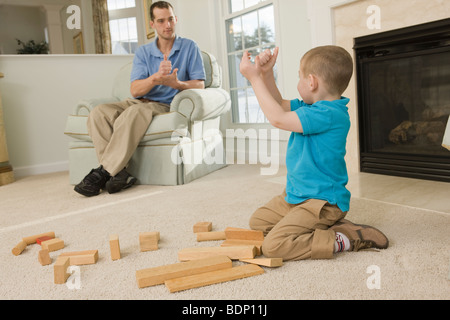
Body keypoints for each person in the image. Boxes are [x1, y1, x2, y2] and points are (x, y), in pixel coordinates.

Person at [239, 45, 389, 261]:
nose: (298, 83)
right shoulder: (310, 107)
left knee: (273, 247)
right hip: (295, 196)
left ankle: (343, 237)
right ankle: (322, 226)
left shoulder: (329, 114)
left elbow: (278, 118)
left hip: (322, 203)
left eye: (299, 78)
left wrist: (253, 79)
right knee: (258, 222)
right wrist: (266, 73)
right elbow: (279, 104)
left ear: (311, 82)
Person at [75, 1, 205, 197]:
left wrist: (177, 84)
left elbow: (200, 84)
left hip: (164, 104)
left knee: (134, 113)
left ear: (175, 19)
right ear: (152, 24)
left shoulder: (189, 47)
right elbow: (135, 90)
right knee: (98, 113)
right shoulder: (143, 52)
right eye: (161, 21)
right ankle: (119, 174)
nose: (167, 25)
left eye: (170, 19)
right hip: (138, 100)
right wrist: (155, 78)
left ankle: (103, 172)